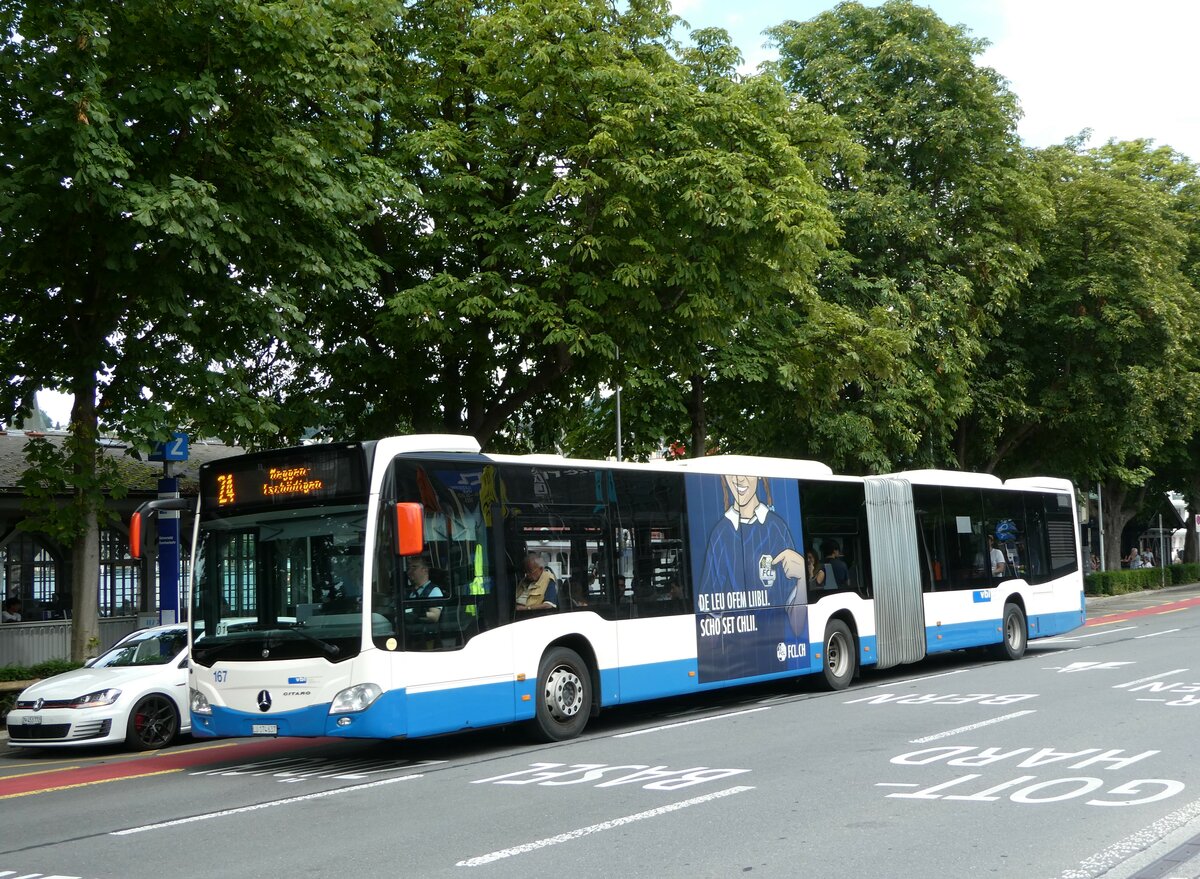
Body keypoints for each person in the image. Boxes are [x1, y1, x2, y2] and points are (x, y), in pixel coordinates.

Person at [405, 556, 444, 623]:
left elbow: (435, 616)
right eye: (409, 568)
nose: (409, 571)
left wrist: (417, 613)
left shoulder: (434, 590)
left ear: (425, 569)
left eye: (414, 567)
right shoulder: (409, 592)